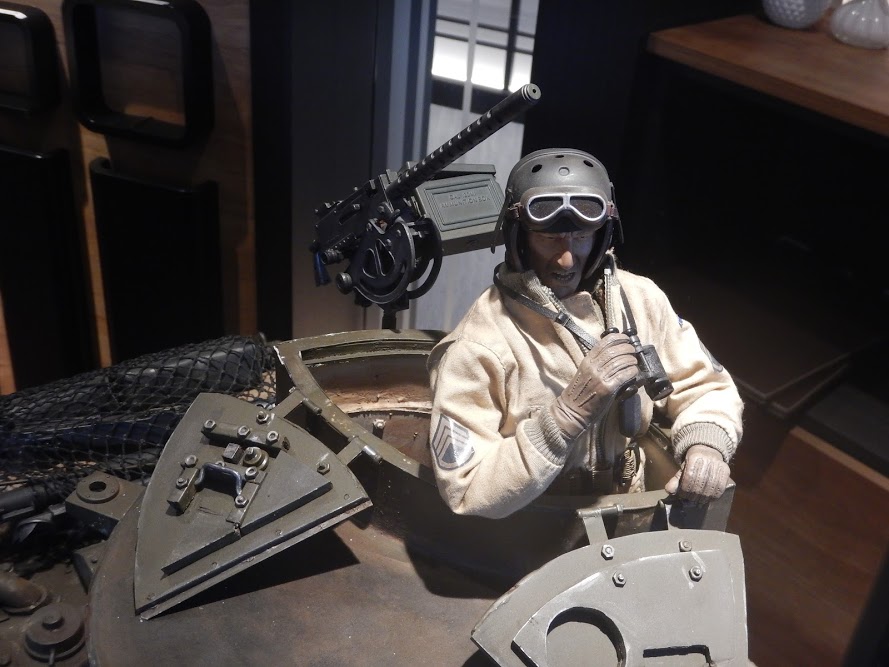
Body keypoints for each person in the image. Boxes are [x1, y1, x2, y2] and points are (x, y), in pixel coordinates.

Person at [427, 148, 743, 519]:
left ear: (602, 235)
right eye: (548, 239)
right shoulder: (479, 345)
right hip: (533, 521)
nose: (566, 259)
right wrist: (562, 419)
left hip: (626, 506)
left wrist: (707, 444)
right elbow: (466, 489)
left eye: (580, 237)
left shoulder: (640, 300)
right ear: (520, 237)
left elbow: (705, 386)